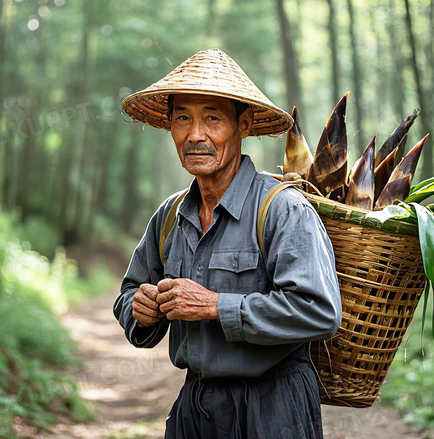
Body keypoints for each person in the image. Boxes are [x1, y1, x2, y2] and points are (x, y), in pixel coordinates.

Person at [114, 48, 342, 439]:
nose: (195, 134)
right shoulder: (170, 216)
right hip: (196, 407)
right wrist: (142, 308)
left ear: (244, 123)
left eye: (213, 118)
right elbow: (128, 294)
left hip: (274, 407)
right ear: (169, 125)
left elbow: (319, 310)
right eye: (183, 117)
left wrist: (215, 306)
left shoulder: (282, 210)